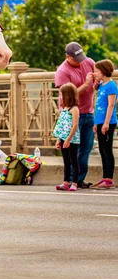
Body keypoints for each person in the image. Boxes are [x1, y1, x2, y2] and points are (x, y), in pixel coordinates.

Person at [55, 42, 95, 188]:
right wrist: (86, 85)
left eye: (81, 57)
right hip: (71, 115)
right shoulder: (62, 71)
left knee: (86, 148)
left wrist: (96, 84)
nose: (80, 61)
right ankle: (70, 180)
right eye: (76, 59)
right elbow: (68, 97)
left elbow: (96, 79)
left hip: (89, 113)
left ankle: (79, 180)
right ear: (67, 57)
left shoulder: (88, 62)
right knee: (71, 152)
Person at [90, 60, 117, 189]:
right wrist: (97, 123)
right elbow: (99, 105)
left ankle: (109, 178)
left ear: (104, 71)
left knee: (107, 149)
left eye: (96, 71)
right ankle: (104, 177)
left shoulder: (111, 86)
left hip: (108, 122)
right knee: (102, 150)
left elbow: (111, 105)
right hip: (100, 122)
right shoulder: (101, 85)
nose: (94, 73)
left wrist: (106, 123)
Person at [52, 83, 80, 191]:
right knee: (66, 161)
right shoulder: (64, 108)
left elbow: (75, 125)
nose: (60, 97)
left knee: (74, 160)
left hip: (72, 139)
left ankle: (75, 182)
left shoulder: (74, 109)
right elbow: (61, 125)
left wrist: (68, 139)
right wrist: (59, 139)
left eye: (61, 95)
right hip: (63, 138)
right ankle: (66, 181)